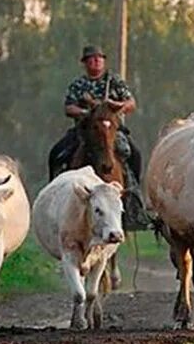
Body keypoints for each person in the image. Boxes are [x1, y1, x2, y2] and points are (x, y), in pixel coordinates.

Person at [49, 45, 148, 226]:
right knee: (57, 153)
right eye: (91, 59)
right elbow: (68, 108)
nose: (96, 61)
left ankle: (134, 200)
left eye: (99, 58)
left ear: (104, 61)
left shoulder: (115, 81)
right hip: (84, 130)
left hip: (113, 130)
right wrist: (86, 112)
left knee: (134, 154)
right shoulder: (79, 84)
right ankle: (53, 197)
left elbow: (131, 103)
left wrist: (116, 106)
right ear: (85, 63)